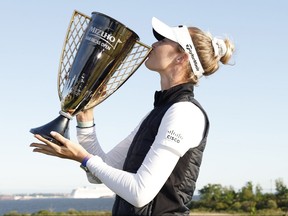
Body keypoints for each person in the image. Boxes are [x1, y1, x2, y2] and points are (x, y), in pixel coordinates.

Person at [30, 16, 235, 215]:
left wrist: (82, 157)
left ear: (182, 57)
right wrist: (86, 119)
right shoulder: (159, 112)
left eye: (163, 40)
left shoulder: (184, 113)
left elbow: (139, 192)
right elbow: (102, 171)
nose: (154, 45)